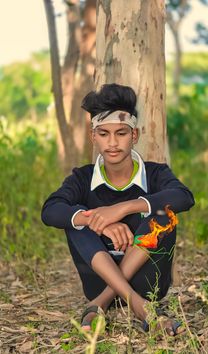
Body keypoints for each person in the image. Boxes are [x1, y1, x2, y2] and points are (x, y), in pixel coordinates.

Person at [41, 83, 195, 336]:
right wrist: (95, 220)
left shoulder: (156, 173)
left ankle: (100, 303)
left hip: (149, 284)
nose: (112, 143)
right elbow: (50, 210)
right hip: (97, 278)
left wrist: (123, 208)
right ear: (94, 137)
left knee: (163, 212)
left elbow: (184, 197)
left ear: (134, 135)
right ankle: (141, 309)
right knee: (76, 216)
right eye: (103, 134)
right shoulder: (83, 177)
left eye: (121, 133)